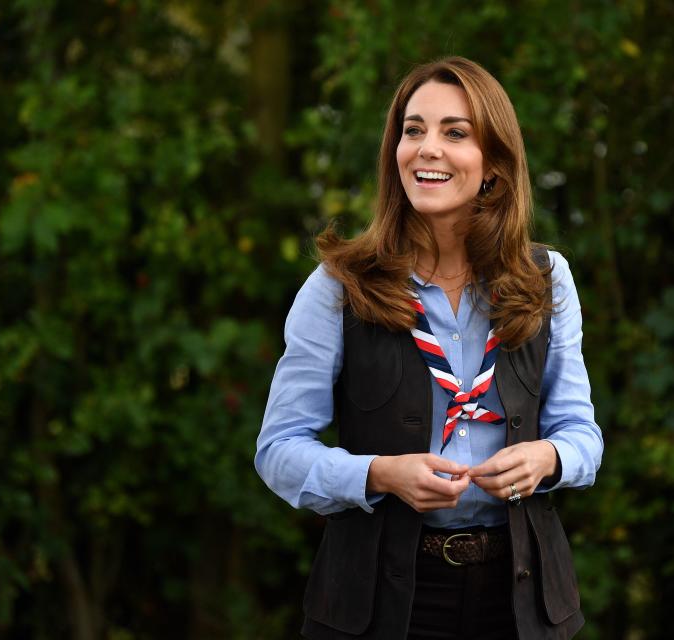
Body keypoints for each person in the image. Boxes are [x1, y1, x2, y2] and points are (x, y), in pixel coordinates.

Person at [255, 56, 603, 640]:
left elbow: (582, 435)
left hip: (519, 599)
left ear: (493, 164)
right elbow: (278, 450)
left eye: (455, 133)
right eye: (413, 130)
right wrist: (380, 474)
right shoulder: (340, 287)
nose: (427, 148)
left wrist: (547, 459)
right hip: (380, 600)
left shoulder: (546, 277)